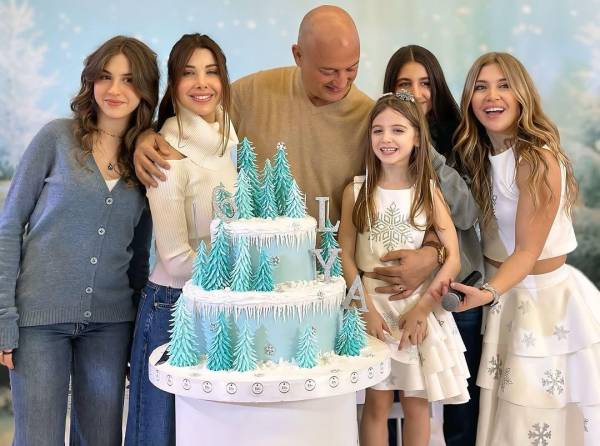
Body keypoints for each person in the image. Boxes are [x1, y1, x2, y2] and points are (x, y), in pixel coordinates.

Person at [132, 6, 443, 302]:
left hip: (332, 284)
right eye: (328, 71)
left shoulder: (374, 121)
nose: (342, 82)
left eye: (352, 69)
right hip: (257, 286)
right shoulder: (251, 93)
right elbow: (191, 122)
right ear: (298, 55)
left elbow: (423, 190)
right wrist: (143, 138)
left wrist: (433, 252)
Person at [0, 36, 158, 445]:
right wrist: (4, 318)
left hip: (110, 325)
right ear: (91, 80)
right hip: (39, 322)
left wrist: (136, 331)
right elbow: (9, 225)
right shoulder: (56, 138)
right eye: (106, 77)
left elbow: (138, 255)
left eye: (129, 79)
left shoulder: (142, 159)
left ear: (145, 89)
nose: (115, 89)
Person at [451, 52, 600, 445]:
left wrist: (486, 292)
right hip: (505, 296)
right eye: (481, 87)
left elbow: (526, 252)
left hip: (543, 305)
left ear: (522, 95)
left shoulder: (536, 159)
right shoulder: (481, 156)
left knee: (534, 420)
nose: (491, 96)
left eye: (504, 86)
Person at [125, 33, 237, 446]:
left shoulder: (228, 139)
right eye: (189, 74)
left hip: (218, 303)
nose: (202, 83)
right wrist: (239, 272)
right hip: (172, 307)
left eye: (211, 72)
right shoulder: (166, 152)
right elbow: (174, 258)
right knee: (160, 435)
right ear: (173, 85)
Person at [339, 91, 470, 446]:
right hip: (373, 310)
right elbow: (345, 255)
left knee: (416, 404)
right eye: (378, 130)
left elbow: (452, 258)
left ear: (417, 139)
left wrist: (423, 309)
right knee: (376, 403)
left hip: (416, 311)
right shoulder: (356, 191)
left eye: (398, 130)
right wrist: (364, 309)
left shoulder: (428, 191)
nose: (386, 138)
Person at [381, 44, 484, 445]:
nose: (416, 93)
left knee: (459, 406)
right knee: (395, 399)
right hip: (401, 298)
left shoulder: (460, 140)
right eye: (404, 84)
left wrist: (426, 149)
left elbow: (467, 214)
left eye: (425, 83)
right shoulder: (383, 141)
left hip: (454, 292)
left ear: (437, 87)